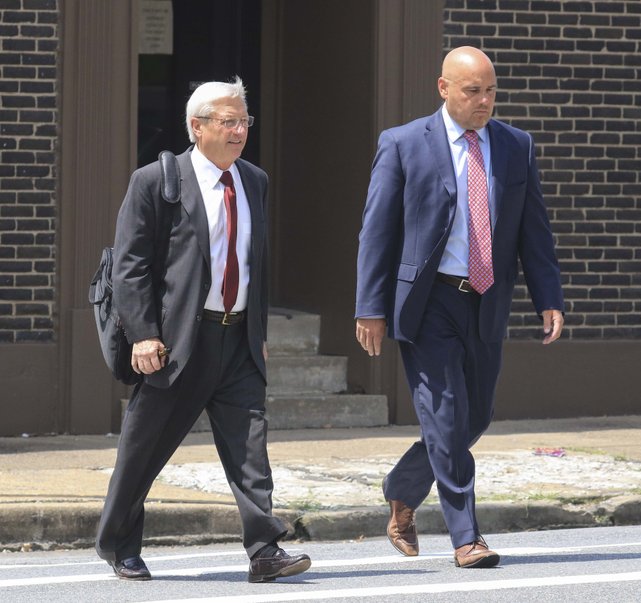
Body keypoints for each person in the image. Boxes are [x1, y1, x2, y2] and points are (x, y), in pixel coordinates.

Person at [355, 47, 565, 569]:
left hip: (488, 298)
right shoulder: (403, 144)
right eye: (473, 90)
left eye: (491, 90)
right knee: (446, 415)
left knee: (475, 414)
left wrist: (549, 298)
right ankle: (466, 537)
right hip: (428, 302)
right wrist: (369, 307)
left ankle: (403, 487)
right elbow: (377, 231)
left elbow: (533, 232)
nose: (485, 100)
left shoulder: (516, 146)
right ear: (443, 88)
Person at [95, 77, 311, 583]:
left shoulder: (253, 180)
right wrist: (145, 334)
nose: (239, 131)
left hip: (237, 341)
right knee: (144, 449)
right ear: (197, 127)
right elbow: (130, 266)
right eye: (228, 121)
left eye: (244, 122)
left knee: (249, 450)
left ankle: (265, 550)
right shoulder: (155, 181)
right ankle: (119, 544)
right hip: (176, 343)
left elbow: (253, 261)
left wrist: (256, 328)